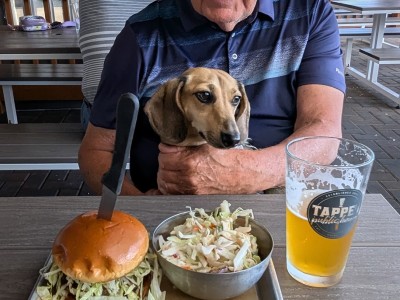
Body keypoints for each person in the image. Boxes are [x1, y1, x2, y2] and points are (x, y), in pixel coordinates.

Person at [78, 0, 345, 196]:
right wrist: (139, 208)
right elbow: (96, 152)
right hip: (165, 211)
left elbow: (323, 134)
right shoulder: (140, 35)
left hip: (275, 199)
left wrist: (243, 173)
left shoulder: (310, 13)